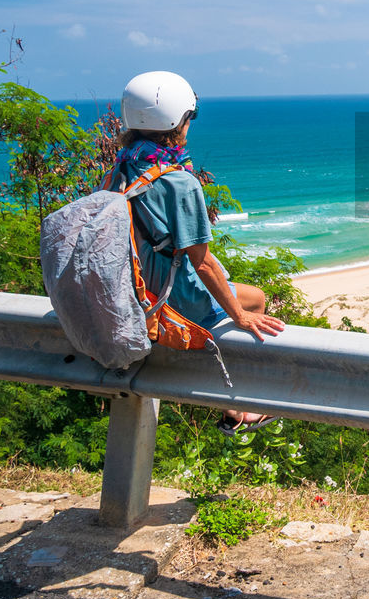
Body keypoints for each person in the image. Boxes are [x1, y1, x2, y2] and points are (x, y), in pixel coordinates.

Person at [113, 70, 285, 435]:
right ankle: (242, 407)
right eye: (189, 117)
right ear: (178, 121)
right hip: (171, 296)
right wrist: (238, 315)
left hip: (132, 283)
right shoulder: (178, 181)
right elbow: (202, 261)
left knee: (243, 301)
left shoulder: (125, 163)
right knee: (255, 300)